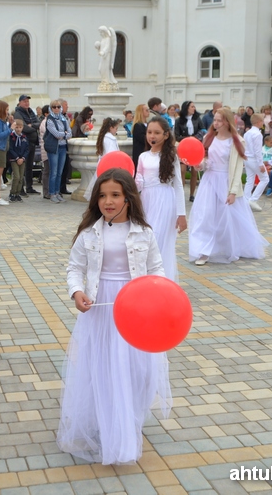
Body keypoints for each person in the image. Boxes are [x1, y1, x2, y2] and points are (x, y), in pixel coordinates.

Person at [59, 168, 170, 465]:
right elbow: (74, 268)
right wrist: (76, 291)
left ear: (129, 198)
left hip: (136, 305)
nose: (108, 201)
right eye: (103, 195)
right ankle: (111, 422)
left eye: (115, 195)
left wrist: (158, 295)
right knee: (105, 364)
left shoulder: (144, 232)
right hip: (101, 306)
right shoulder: (89, 233)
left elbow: (156, 267)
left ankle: (130, 413)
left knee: (137, 367)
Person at [188, 109, 268, 266]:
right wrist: (201, 165)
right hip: (209, 181)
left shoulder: (236, 141)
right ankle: (204, 250)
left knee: (228, 218)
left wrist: (233, 192)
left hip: (226, 182)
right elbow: (205, 160)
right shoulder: (208, 138)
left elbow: (238, 169)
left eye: (219, 120)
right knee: (206, 216)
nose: (215, 123)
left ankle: (231, 247)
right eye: (215, 120)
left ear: (227, 122)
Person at [135, 118, 186, 281]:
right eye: (149, 132)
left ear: (165, 135)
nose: (152, 136)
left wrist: (182, 214)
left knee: (158, 240)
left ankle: (162, 280)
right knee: (145, 240)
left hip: (165, 200)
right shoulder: (143, 156)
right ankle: (147, 279)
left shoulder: (171, 156)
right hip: (146, 201)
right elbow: (138, 181)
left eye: (157, 132)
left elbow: (178, 185)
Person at [83, 117, 121, 201]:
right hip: (108, 165)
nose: (116, 131)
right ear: (111, 128)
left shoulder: (104, 137)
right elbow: (111, 154)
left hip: (103, 164)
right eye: (116, 128)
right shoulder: (110, 139)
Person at [173, 101, 205, 201]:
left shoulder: (197, 119)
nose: (194, 108)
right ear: (186, 108)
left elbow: (203, 130)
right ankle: (181, 192)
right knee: (182, 170)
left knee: (194, 171)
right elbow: (177, 135)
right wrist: (188, 138)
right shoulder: (179, 120)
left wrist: (195, 138)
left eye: (194, 106)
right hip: (184, 146)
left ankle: (192, 194)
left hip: (195, 147)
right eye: (192, 107)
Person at [13, 95, 41, 194]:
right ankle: (20, 188)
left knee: (29, 166)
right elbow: (24, 127)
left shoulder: (31, 112)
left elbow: (39, 123)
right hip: (23, 143)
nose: (27, 103)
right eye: (24, 101)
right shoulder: (18, 113)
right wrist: (33, 127)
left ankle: (29, 187)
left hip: (32, 142)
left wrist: (32, 125)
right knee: (22, 166)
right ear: (20, 102)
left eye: (28, 101)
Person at [46, 99, 72, 203]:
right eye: (54, 107)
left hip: (62, 147)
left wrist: (64, 134)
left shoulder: (64, 119)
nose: (57, 109)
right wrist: (64, 134)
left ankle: (57, 192)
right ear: (51, 108)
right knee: (54, 172)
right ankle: (52, 193)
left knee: (60, 172)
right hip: (54, 148)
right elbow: (56, 134)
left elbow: (70, 133)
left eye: (58, 107)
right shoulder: (50, 120)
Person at [244, 114, 269, 212]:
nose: (263, 123)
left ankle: (245, 200)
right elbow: (257, 151)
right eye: (262, 121)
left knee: (249, 179)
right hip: (254, 159)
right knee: (265, 179)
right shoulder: (257, 134)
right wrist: (260, 164)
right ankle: (253, 200)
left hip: (247, 158)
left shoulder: (247, 133)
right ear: (258, 122)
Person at [7, 119, 29, 203]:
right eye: (17, 127)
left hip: (22, 159)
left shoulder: (24, 137)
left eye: (20, 127)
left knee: (21, 177)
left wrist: (23, 158)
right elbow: (11, 148)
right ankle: (12, 193)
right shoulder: (11, 136)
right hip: (14, 159)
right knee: (16, 176)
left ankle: (18, 193)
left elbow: (27, 149)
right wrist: (16, 158)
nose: (18, 129)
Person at [131, 104, 149, 169]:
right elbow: (143, 138)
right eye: (146, 110)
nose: (148, 112)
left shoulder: (148, 124)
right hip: (140, 152)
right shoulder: (138, 126)